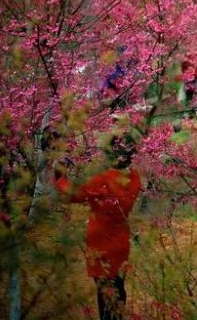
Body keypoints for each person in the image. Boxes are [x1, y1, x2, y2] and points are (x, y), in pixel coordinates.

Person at [55, 135, 142, 320]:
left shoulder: (103, 181)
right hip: (121, 243)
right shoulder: (134, 178)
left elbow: (71, 194)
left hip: (102, 247)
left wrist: (60, 176)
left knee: (106, 295)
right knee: (118, 288)